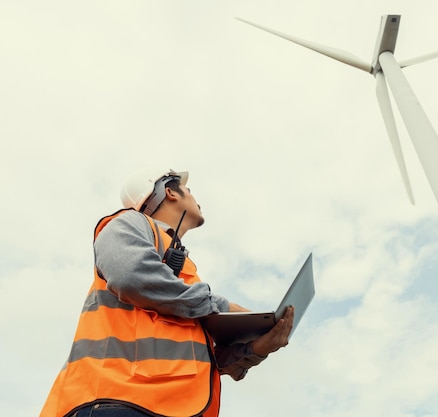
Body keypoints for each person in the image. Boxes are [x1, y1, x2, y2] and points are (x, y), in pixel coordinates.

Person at [40, 169, 294, 417]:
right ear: (170, 192)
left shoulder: (185, 274)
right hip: (117, 400)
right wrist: (221, 306)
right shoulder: (129, 223)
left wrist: (257, 348)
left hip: (168, 407)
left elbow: (200, 361)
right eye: (189, 190)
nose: (195, 196)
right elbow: (131, 276)